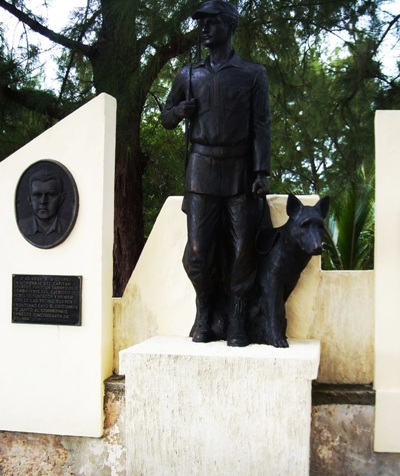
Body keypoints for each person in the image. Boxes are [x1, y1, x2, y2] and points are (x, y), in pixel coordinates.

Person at [161, 0, 271, 346]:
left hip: (238, 168)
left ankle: (237, 317)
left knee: (242, 250)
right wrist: (179, 110)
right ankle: (205, 312)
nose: (203, 28)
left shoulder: (252, 74)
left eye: (211, 22)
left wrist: (261, 171)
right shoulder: (189, 75)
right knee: (197, 251)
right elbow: (165, 117)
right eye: (201, 23)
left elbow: (261, 126)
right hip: (201, 169)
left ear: (229, 25)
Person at [18, 170, 67, 247]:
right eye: (37, 195)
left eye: (50, 194)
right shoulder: (21, 226)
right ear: (29, 199)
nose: (43, 201)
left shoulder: (67, 226)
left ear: (61, 199)